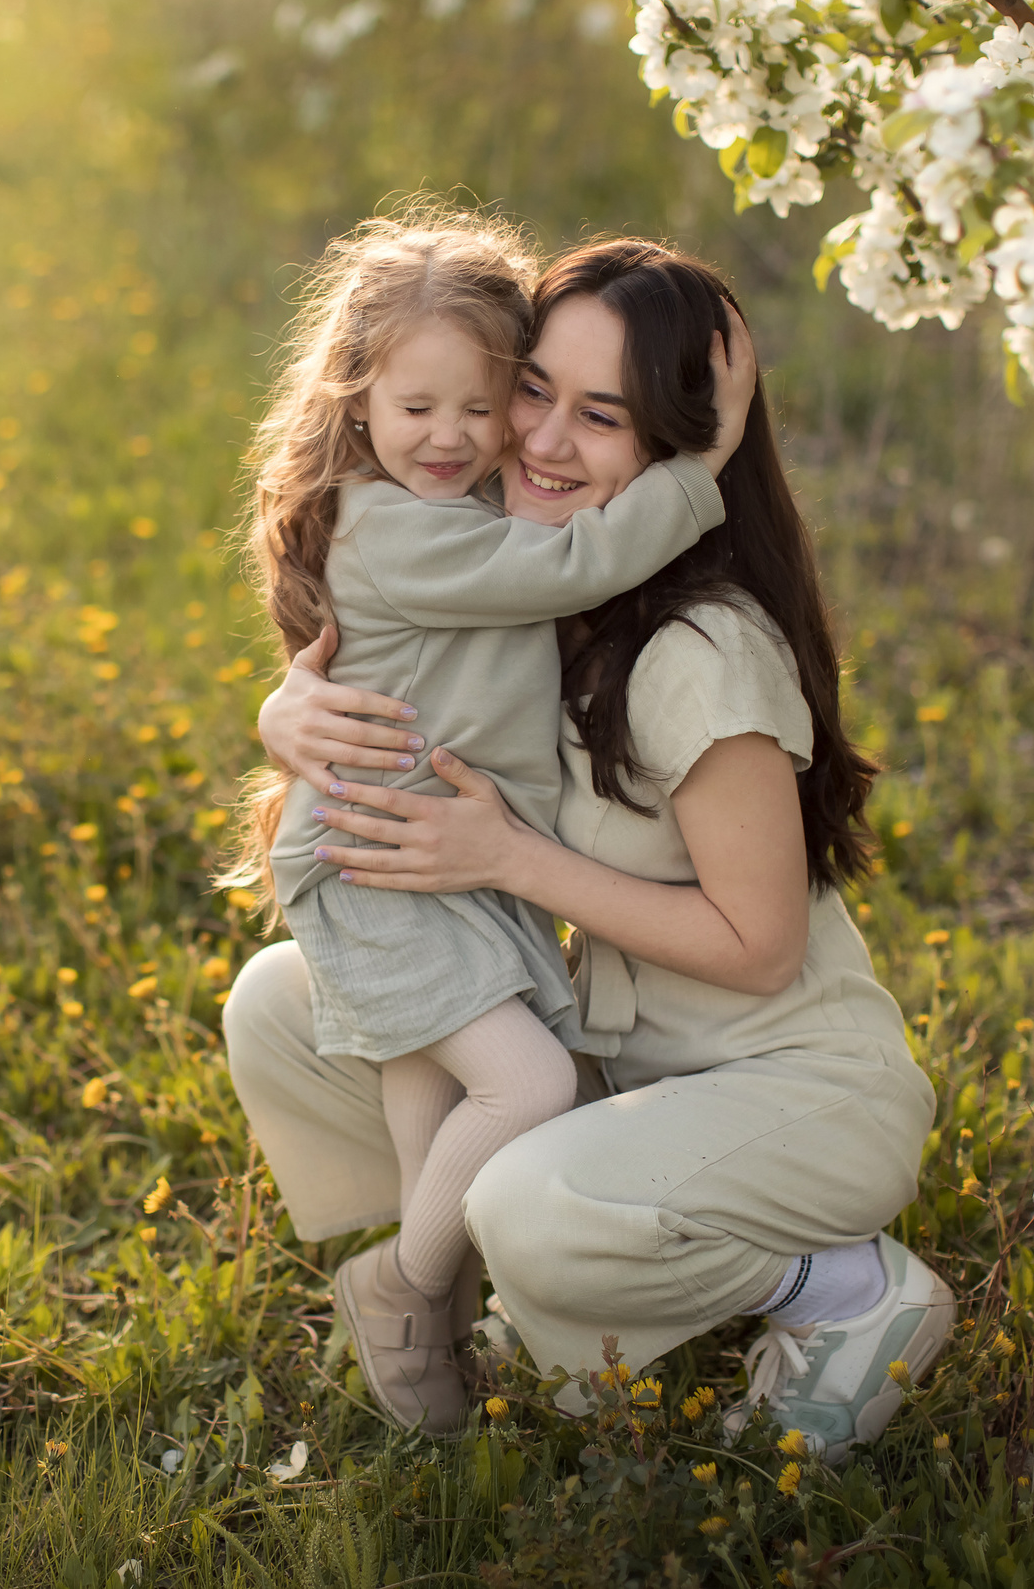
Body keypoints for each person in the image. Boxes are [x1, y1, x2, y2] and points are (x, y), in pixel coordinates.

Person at [224, 238, 953, 1462]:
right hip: (629, 1062)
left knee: (531, 1197)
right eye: (532, 393)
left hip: (784, 1088)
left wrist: (507, 858)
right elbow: (409, 678)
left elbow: (762, 951)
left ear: (674, 443)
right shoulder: (539, 596)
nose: (545, 441)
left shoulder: (698, 649)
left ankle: (834, 1289)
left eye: (602, 416)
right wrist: (283, 715)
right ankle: (479, 1272)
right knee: (281, 1005)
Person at [222, 210, 751, 1434]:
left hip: (428, 854)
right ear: (357, 405)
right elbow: (569, 572)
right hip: (385, 857)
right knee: (524, 1086)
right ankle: (400, 1288)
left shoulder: (443, 510)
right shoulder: (401, 529)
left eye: (484, 403)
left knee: (428, 1106)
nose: (456, 439)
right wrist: (701, 461)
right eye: (418, 410)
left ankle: (440, 1356)